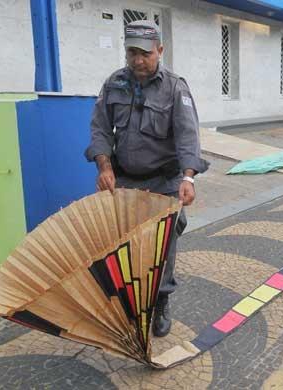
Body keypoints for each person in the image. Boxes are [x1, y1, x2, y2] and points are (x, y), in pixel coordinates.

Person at [85, 20, 209, 337]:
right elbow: (99, 128)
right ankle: (130, 300)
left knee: (164, 244)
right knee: (122, 242)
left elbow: (187, 137)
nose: (138, 60)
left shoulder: (175, 87)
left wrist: (189, 178)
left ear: (160, 50)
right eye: (132, 53)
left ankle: (161, 301)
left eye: (145, 53)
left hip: (164, 181)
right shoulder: (114, 84)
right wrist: (104, 167)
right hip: (125, 179)